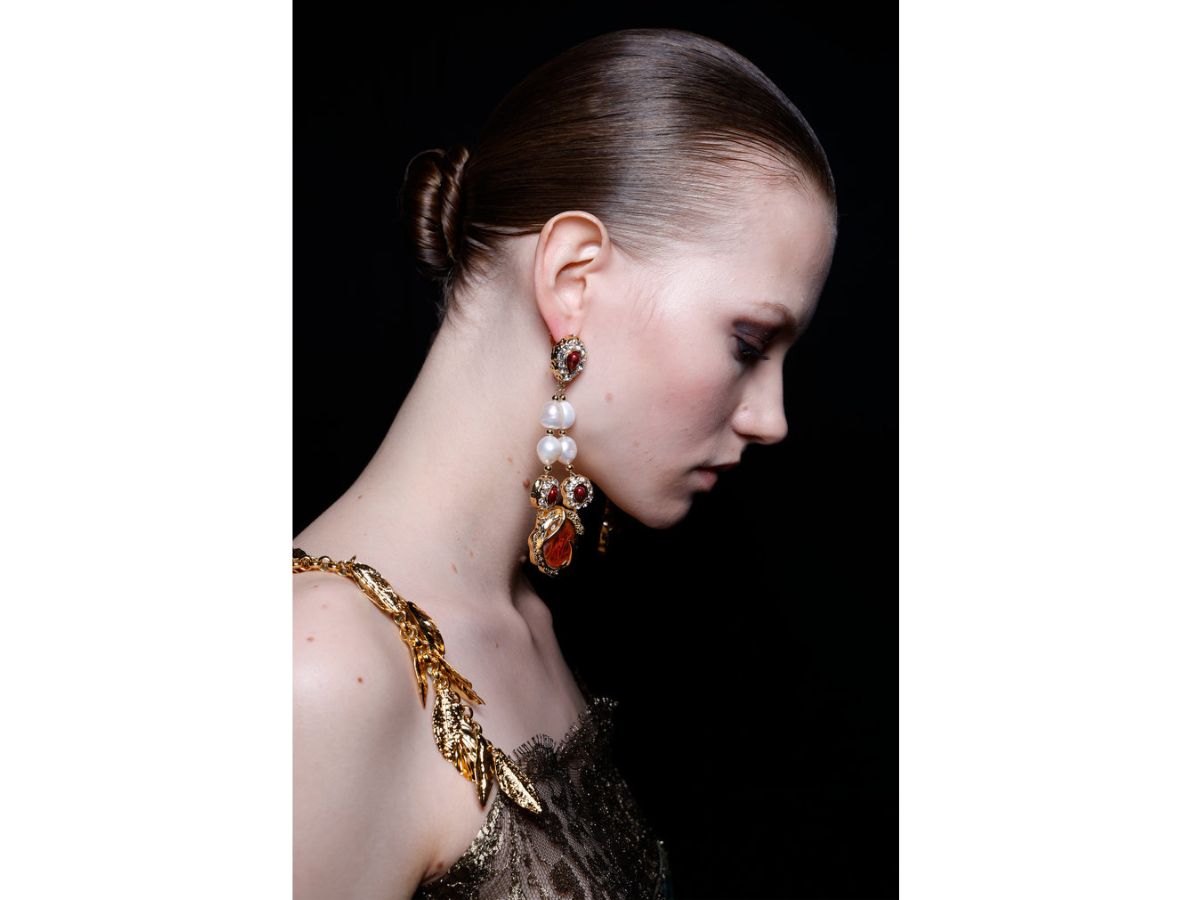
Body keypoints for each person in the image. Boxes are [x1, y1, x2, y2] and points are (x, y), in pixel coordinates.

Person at [293, 26, 837, 899]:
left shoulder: (527, 626)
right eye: (747, 342)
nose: (771, 419)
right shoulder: (318, 670)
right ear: (573, 278)